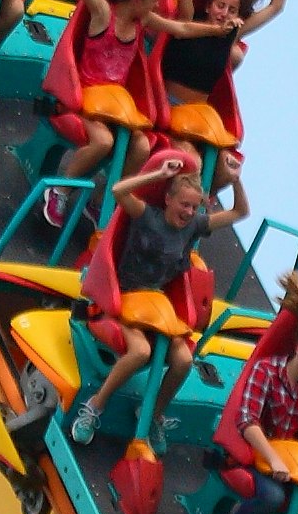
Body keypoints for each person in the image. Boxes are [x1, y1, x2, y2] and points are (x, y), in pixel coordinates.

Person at [47, 139, 220, 452]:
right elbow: (118, 191)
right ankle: (95, 406)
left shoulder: (192, 225)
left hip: (157, 305)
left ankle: (152, 414)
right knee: (139, 351)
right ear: (168, 199)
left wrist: (233, 181)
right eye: (184, 205)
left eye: (194, 207)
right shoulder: (147, 215)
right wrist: (156, 174)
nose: (189, 212)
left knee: (183, 359)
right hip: (124, 296)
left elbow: (239, 214)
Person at [34, 0, 168, 201]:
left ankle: (109, 202)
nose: (157, 5)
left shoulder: (143, 23)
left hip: (116, 107)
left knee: (141, 145)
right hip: (83, 99)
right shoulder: (104, 14)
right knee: (104, 142)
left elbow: (181, 28)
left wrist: (218, 32)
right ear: (138, 0)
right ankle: (59, 192)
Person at [212, 274, 298, 507]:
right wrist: (273, 460)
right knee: (272, 497)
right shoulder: (267, 370)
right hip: (253, 453)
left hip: (288, 459)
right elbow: (247, 421)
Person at [154, 0, 295, 157]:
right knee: (188, 156)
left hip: (197, 114)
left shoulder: (229, 36)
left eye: (232, 10)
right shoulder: (189, 20)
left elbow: (275, 8)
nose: (224, 14)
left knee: (225, 165)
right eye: (220, 6)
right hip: (168, 104)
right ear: (209, 5)